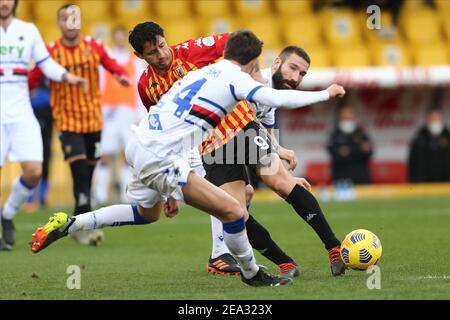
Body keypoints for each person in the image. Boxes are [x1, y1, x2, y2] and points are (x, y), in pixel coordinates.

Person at [29, 30, 337, 287]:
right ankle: (252, 272)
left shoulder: (198, 72)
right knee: (234, 209)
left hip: (143, 144)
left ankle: (71, 223)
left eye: (162, 46)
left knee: (147, 214)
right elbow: (276, 98)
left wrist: (172, 187)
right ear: (252, 63)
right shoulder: (236, 80)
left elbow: (179, 125)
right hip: (170, 154)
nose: (162, 54)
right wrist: (325, 93)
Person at [201, 46, 347, 277]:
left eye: (302, 74)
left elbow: (263, 130)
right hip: (213, 141)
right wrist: (326, 93)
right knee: (236, 210)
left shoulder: (271, 99)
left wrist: (284, 170)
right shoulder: (254, 78)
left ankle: (333, 247)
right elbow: (256, 114)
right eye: (293, 68)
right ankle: (285, 263)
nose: (295, 77)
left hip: (242, 134)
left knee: (280, 182)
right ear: (277, 63)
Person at [28, 3, 130, 246]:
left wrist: (118, 74)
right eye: (65, 19)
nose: (70, 23)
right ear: (59, 23)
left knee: (88, 171)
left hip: (93, 119)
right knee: (79, 171)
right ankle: (84, 225)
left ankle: (78, 221)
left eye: (74, 18)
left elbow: (110, 61)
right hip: (67, 121)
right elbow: (33, 77)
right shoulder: (51, 51)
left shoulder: (93, 46)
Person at [0, 0, 85, 251]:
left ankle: (7, 214)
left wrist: (67, 76)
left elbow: (45, 63)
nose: (3, 3)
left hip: (21, 111)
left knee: (34, 171)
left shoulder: (28, 30)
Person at [94, 25, 147, 204]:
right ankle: (101, 194)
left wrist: (140, 113)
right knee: (104, 155)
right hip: (108, 111)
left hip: (128, 111)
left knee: (128, 155)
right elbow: (100, 84)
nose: (118, 39)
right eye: (116, 36)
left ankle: (127, 193)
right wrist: (99, 110)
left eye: (121, 36)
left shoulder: (135, 61)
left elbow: (139, 87)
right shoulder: (106, 59)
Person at [327, 105, 373, 185]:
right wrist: (357, 149)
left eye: (349, 116)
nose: (347, 118)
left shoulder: (361, 133)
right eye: (344, 117)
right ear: (340, 117)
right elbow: (334, 153)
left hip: (361, 176)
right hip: (341, 176)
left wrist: (349, 150)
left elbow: (368, 151)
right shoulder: (335, 134)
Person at [408, 107, 450, 182]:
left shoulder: (448, 138)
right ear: (427, 120)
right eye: (433, 119)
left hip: (446, 185)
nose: (436, 122)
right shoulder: (419, 140)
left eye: (438, 119)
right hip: (424, 186)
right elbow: (413, 165)